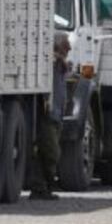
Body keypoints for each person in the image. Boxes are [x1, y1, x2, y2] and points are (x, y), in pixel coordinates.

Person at [29, 33, 71, 200]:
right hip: (48, 115)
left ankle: (40, 188)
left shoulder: (62, 66)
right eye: (66, 45)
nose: (69, 48)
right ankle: (42, 185)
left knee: (45, 154)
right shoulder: (52, 64)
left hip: (57, 115)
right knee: (52, 153)